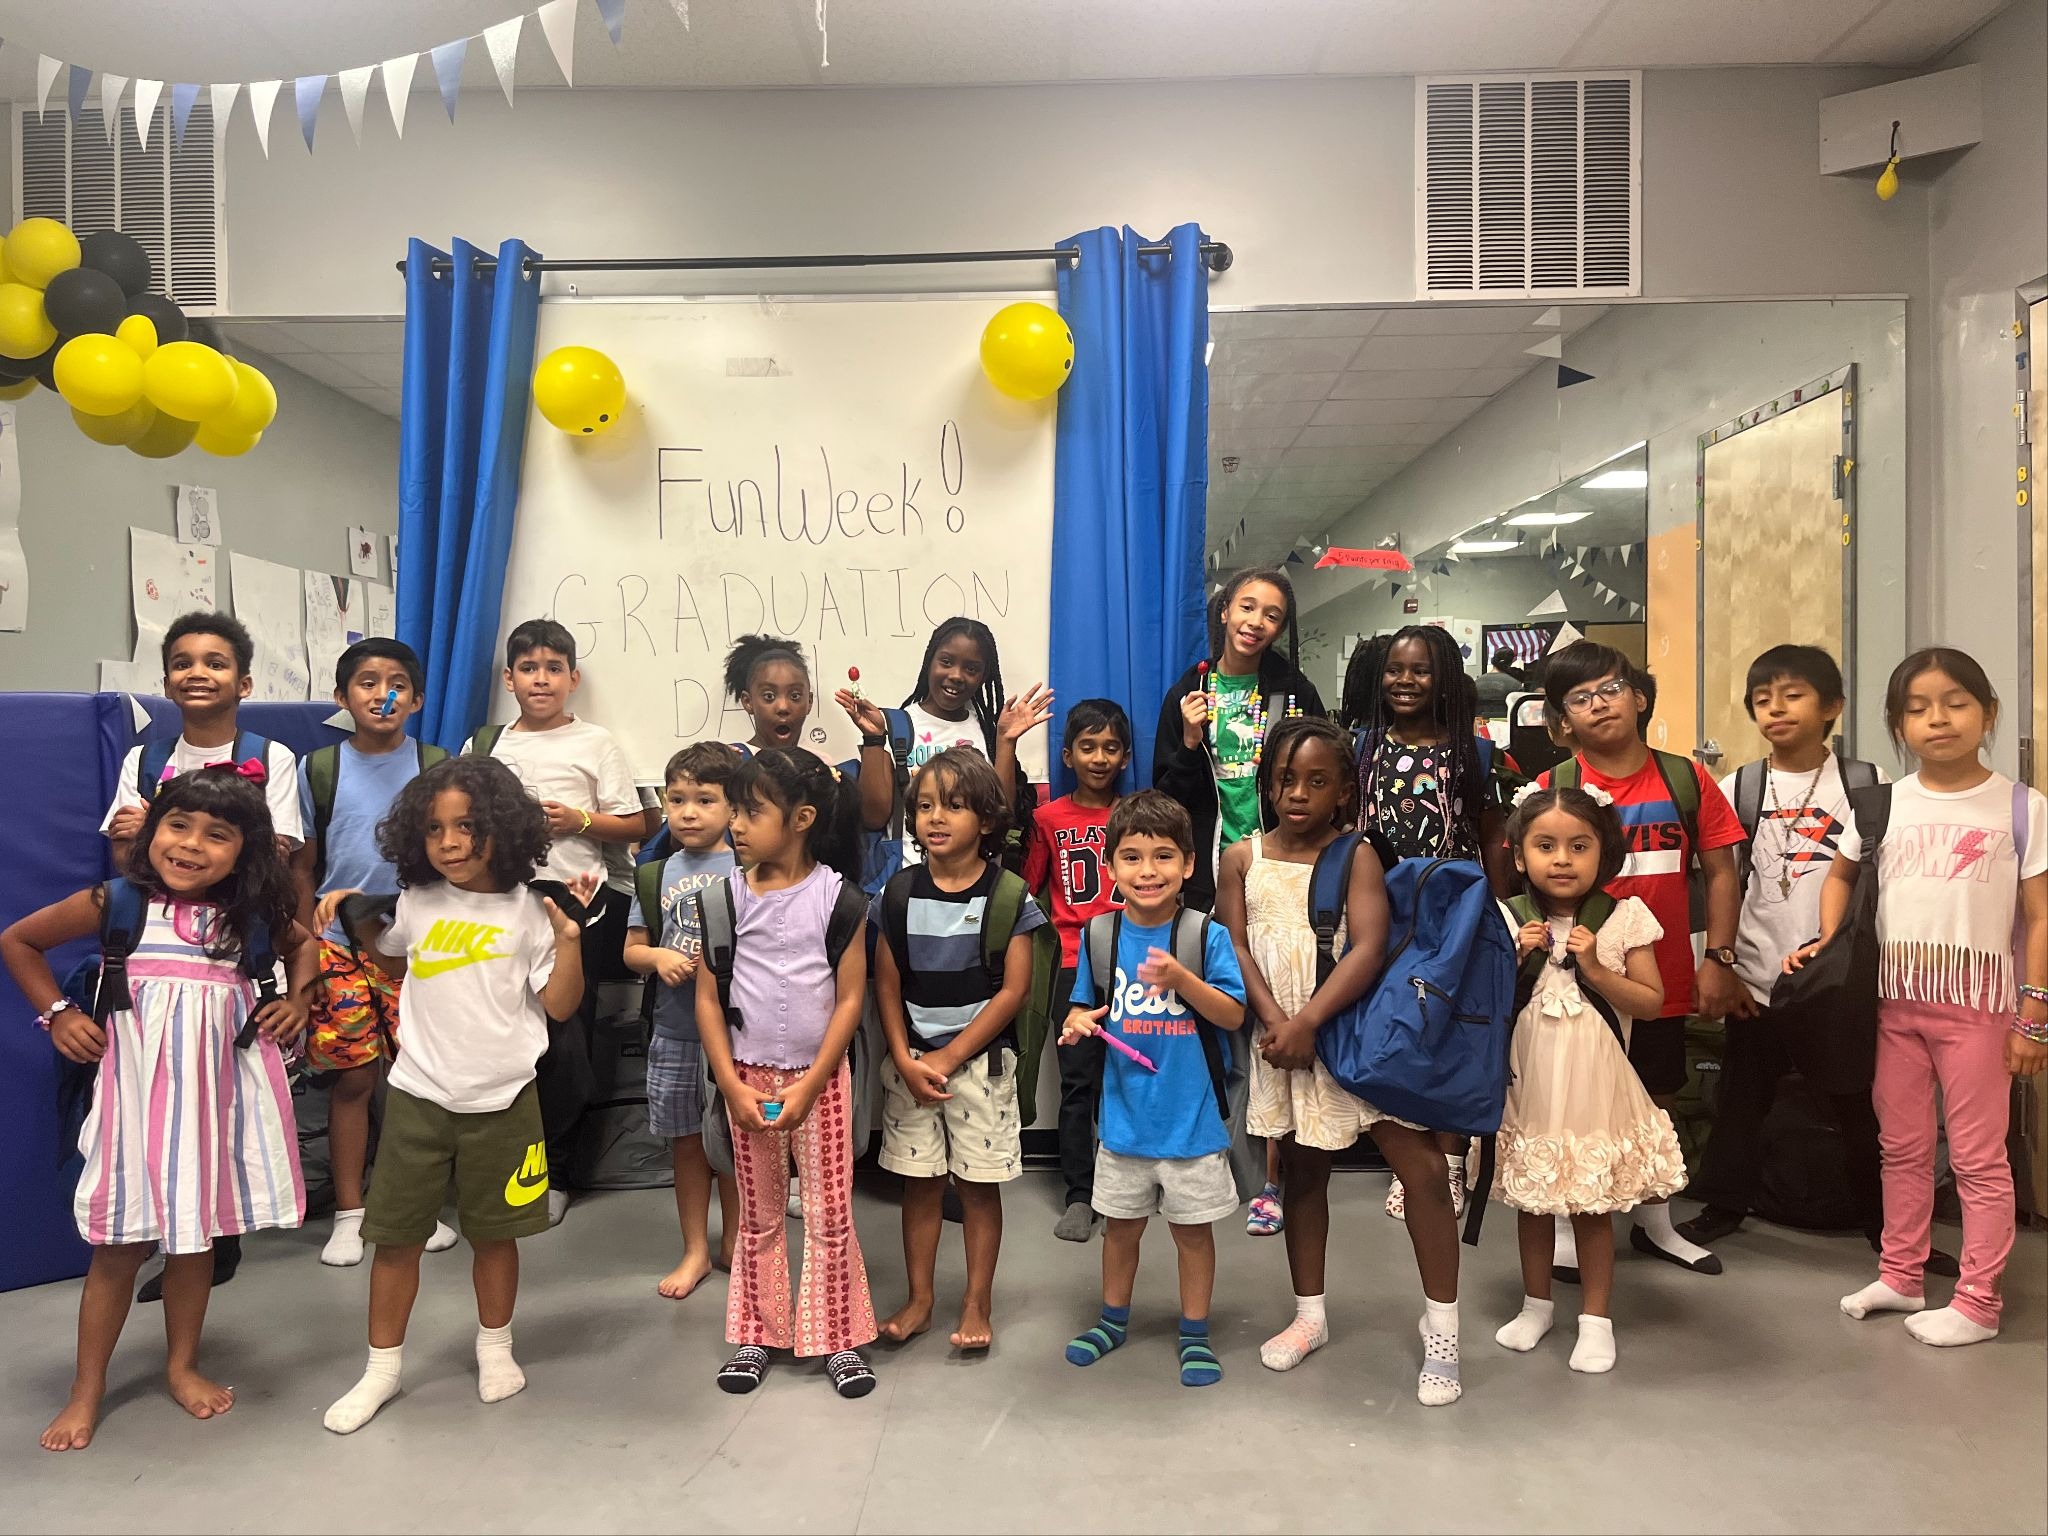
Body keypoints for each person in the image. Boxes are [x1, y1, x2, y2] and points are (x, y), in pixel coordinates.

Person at [3, 768, 314, 1452]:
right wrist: (58, 1013)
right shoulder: (117, 903)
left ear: (246, 850)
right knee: (117, 1250)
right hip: (135, 1110)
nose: (192, 844)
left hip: (210, 1110)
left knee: (194, 1241)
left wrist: (298, 1000)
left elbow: (305, 945)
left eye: (217, 834)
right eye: (178, 825)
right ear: (151, 831)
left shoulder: (249, 917)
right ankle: (86, 1388)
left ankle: (182, 1366)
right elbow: (18, 941)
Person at [322, 757, 595, 1434]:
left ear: (503, 828)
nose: (449, 842)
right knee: (396, 1241)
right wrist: (352, 912)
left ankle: (495, 1348)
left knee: (495, 1238)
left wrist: (569, 941)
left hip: (505, 1101)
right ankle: (381, 1369)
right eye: (435, 829)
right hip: (418, 1096)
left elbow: (561, 1006)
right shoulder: (417, 899)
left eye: (467, 826)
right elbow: (391, 956)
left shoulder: (532, 910)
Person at [1791, 648, 2048, 1346]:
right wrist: (1829, 940)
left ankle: (1979, 1302)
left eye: (1956, 703)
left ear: (1988, 713)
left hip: (1980, 1010)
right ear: (1898, 724)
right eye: (1917, 708)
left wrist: (2034, 1015)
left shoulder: (2022, 807)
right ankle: (1901, 1274)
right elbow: (1839, 875)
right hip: (1892, 1006)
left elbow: (2040, 916)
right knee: (1900, 1148)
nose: (1938, 719)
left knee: (1977, 1159)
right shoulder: (1882, 803)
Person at [1678, 646, 1959, 1274]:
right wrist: (1724, 964)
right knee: (1742, 1101)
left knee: (1859, 1110)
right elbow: (1721, 880)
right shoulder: (1739, 786)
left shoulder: (1866, 783)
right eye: (1762, 700)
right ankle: (1723, 1205)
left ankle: (1888, 1233)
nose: (1775, 709)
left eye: (1793, 695)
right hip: (1757, 975)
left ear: (1832, 705)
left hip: (1838, 983)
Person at [1220, 718, 1455, 1393]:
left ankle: (1443, 1331)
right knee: (1303, 1175)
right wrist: (1278, 1023)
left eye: (1317, 781)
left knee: (1423, 1172)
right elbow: (1234, 945)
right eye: (1286, 780)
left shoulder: (1357, 856)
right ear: (1267, 785)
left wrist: (1309, 1022)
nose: (1298, 794)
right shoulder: (1241, 858)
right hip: (1282, 1043)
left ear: (1345, 791)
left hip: (1353, 1035)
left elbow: (1369, 946)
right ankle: (1309, 1316)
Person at [100, 610, 305, 1298]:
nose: (198, 673)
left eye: (215, 662)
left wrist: (163, 830)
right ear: (165, 680)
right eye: (182, 662)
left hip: (236, 946)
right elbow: (125, 856)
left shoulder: (272, 757)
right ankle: (169, 1231)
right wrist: (149, 840)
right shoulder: (143, 760)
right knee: (160, 1099)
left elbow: (277, 853)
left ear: (243, 681)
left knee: (224, 1100)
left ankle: (212, 1238)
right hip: (162, 946)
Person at [1536, 641, 1744, 1277]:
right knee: (1573, 1100)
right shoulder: (1554, 787)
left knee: (1657, 1098)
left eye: (1611, 688)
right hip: (1574, 982)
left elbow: (1722, 872)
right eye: (1580, 697)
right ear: (1562, 720)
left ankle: (1657, 1224)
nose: (1599, 704)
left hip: (1662, 978)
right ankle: (1570, 1221)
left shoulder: (1686, 779)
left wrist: (1720, 958)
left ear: (1640, 697)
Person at [698, 748, 880, 1399]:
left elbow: (851, 1000)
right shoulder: (722, 899)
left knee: (830, 1215)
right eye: (734, 811)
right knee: (759, 1214)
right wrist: (729, 1084)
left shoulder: (840, 900)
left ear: (801, 819)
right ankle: (758, 1331)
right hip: (747, 1082)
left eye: (751, 812)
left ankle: (836, 1337)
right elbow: (707, 1001)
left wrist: (812, 1082)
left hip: (820, 1084)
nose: (735, 825)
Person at [464, 618, 657, 1227]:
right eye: (528, 669)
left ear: (572, 678)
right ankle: (499, 1161)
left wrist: (578, 820)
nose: (541, 679)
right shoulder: (485, 746)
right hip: (501, 911)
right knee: (502, 1039)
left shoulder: (595, 742)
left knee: (566, 1041)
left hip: (580, 912)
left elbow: (638, 824)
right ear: (509, 679)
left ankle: (558, 1171)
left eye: (553, 669)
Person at [1493, 783, 1686, 1375]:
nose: (1562, 859)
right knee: (1532, 1200)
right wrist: (1514, 959)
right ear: (1519, 855)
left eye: (1579, 846)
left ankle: (1596, 1320)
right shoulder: (1506, 916)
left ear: (1605, 852)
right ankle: (1536, 1305)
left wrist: (1597, 968)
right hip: (1529, 1086)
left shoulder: (1624, 917)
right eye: (1545, 846)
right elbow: (1479, 1004)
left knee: (1591, 1205)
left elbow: (1651, 1002)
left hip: (1596, 1088)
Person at [1061, 790, 1248, 1388]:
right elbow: (1083, 1006)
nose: (1148, 871)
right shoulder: (1099, 935)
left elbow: (1232, 1015)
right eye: (1132, 857)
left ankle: (1195, 1332)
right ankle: (1112, 1320)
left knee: (1192, 1235)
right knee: (1120, 1229)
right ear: (1111, 866)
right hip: (1123, 1125)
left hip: (1192, 1125)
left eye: (1164, 856)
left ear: (1189, 864)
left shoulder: (1205, 934)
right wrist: (1077, 1022)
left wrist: (1181, 979)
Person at [872, 749, 1048, 1351]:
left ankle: (977, 1302)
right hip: (911, 1067)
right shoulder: (897, 893)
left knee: (977, 1187)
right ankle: (920, 1299)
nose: (935, 817)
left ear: (987, 819)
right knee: (919, 1184)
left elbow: (1014, 991)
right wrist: (903, 1056)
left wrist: (949, 1059)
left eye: (953, 805)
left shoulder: (1009, 896)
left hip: (980, 1069)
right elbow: (887, 983)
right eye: (924, 806)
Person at [1341, 624, 1515, 1223]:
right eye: (1395, 669)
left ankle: (1454, 1159)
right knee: (1398, 1025)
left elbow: (1492, 834)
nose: (1405, 680)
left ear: (1443, 679)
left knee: (1448, 1027)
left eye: (1420, 670)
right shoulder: (1362, 747)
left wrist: (1502, 908)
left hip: (1454, 914)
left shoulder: (1474, 752)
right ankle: (1408, 1158)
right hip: (1381, 911)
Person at [293, 637, 457, 1267]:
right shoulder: (319, 768)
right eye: (367, 682)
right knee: (355, 1078)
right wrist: (306, 943)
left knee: (416, 1079)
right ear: (342, 697)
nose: (382, 694)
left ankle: (408, 1205)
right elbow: (304, 866)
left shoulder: (438, 767)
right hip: (338, 945)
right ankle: (351, 1212)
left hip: (417, 946)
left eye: (396, 684)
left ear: (416, 700)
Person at [622, 742, 743, 1300]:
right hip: (674, 1032)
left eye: (704, 799)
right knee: (688, 1145)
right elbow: (632, 950)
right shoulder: (656, 874)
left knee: (736, 1144)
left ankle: (737, 1242)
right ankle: (695, 1248)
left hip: (736, 1035)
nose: (688, 812)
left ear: (734, 806)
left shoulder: (748, 868)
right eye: (676, 799)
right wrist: (659, 958)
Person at [1153, 566, 1326, 911]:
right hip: (1206, 872)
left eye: (1271, 616)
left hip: (1284, 864)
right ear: (1225, 611)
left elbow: (1326, 779)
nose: (1256, 621)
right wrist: (1189, 744)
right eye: (1247, 607)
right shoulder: (1189, 692)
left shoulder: (1296, 693)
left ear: (1279, 629)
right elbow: (1166, 800)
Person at [1024, 699, 1132, 1242]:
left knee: (1130, 1079)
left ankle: (1128, 1185)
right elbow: (1028, 889)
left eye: (1110, 747)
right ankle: (1080, 1194)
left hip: (1133, 964)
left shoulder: (1138, 814)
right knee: (1078, 1082)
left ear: (1125, 756)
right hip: (1072, 965)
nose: (1099, 758)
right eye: (1088, 747)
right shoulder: (1047, 819)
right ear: (1068, 755)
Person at [834, 616, 1052, 870]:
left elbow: (999, 816)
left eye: (971, 669)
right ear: (930, 662)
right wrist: (874, 739)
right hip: (909, 879)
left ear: (983, 677)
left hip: (976, 881)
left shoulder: (988, 732)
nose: (956, 675)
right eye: (946, 662)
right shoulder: (893, 726)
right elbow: (872, 818)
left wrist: (1006, 741)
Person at [1475, 647, 1524, 718]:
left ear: (1493, 660)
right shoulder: (1516, 685)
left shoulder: (1476, 683)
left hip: (1479, 722)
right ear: (1510, 663)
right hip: (1505, 723)